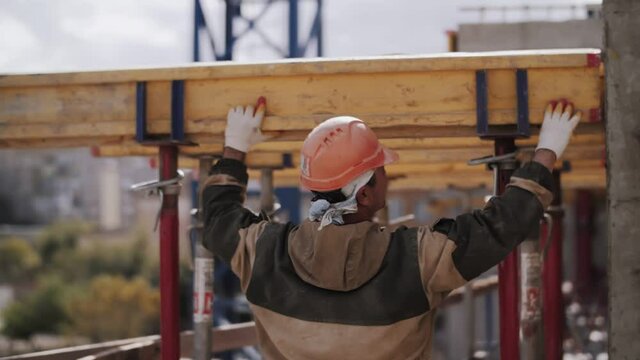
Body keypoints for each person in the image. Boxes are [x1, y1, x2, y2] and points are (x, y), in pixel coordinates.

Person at [201, 98, 581, 359]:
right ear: (365, 195)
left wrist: (235, 145)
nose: (388, 174)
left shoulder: (262, 251)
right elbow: (500, 226)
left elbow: (217, 217)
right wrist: (544, 153)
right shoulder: (417, 260)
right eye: (381, 170)